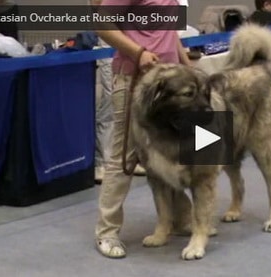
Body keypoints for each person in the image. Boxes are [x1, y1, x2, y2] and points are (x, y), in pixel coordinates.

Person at [94, 0, 193, 258]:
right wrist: (139, 53)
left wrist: (189, 68)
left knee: (170, 154)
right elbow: (102, 24)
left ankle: (181, 219)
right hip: (134, 80)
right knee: (123, 158)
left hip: (170, 83)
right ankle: (107, 232)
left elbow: (169, 31)